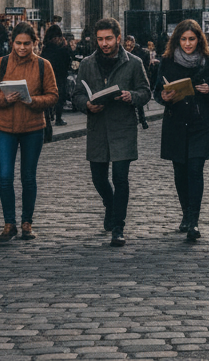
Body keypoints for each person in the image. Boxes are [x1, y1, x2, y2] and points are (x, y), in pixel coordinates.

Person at [72, 18, 151, 247]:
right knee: (98, 178)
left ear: (118, 38)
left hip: (123, 127)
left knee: (120, 178)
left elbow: (145, 92)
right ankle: (110, 204)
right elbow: (77, 94)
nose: (104, 43)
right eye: (100, 39)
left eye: (108, 38)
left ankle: (118, 226)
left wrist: (131, 96)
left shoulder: (134, 63)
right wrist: (87, 104)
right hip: (97, 128)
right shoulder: (87, 64)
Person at [0, 21, 58, 242]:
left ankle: (27, 223)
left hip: (32, 127)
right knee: (5, 177)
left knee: (28, 177)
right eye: (18, 43)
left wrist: (32, 100)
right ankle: (9, 223)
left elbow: (53, 95)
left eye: (27, 44)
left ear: (35, 43)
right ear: (11, 42)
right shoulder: (1, 63)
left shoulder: (43, 65)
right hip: (5, 127)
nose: (22, 48)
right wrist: (4, 99)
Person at [154, 19, 209, 241]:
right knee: (180, 171)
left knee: (195, 168)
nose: (187, 43)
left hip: (200, 121)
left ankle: (193, 221)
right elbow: (157, 92)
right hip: (176, 121)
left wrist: (208, 89)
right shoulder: (166, 61)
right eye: (183, 39)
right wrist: (164, 97)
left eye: (192, 39)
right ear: (177, 40)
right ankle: (185, 213)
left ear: (199, 39)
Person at [41, 24, 72, 126]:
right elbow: (68, 60)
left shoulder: (46, 47)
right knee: (60, 96)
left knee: (49, 96)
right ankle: (58, 118)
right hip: (60, 76)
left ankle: (50, 115)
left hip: (48, 76)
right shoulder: (62, 48)